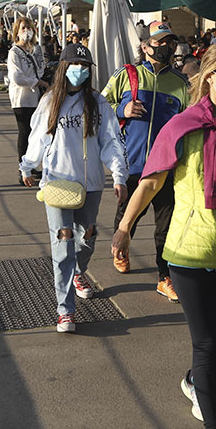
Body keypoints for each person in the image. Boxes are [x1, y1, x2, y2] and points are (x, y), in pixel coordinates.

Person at [111, 40, 216, 428]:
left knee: (213, 336)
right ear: (211, 75)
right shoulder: (183, 125)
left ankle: (193, 382)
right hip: (188, 253)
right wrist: (124, 229)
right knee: (207, 345)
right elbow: (150, 183)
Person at [22, 43, 128, 333]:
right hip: (57, 183)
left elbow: (111, 143)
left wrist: (119, 176)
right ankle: (65, 310)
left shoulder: (98, 103)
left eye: (85, 67)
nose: (80, 72)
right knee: (63, 243)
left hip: (91, 184)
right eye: (74, 66)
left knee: (86, 237)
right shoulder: (49, 102)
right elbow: (37, 139)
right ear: (63, 68)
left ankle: (79, 272)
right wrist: (27, 165)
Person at [103, 21, 189, 302]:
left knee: (166, 225)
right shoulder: (126, 75)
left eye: (169, 42)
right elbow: (101, 108)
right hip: (132, 163)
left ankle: (164, 277)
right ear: (145, 46)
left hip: (166, 167)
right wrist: (121, 109)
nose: (165, 47)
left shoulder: (180, 83)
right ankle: (122, 248)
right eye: (160, 41)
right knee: (127, 215)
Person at [7, 17, 48, 185]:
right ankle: (22, 169)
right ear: (17, 31)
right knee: (24, 133)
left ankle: (31, 165)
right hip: (22, 98)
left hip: (37, 97)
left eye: (29, 27)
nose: (26, 31)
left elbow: (41, 68)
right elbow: (17, 77)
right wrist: (37, 82)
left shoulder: (36, 50)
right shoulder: (14, 52)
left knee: (35, 132)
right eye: (23, 28)